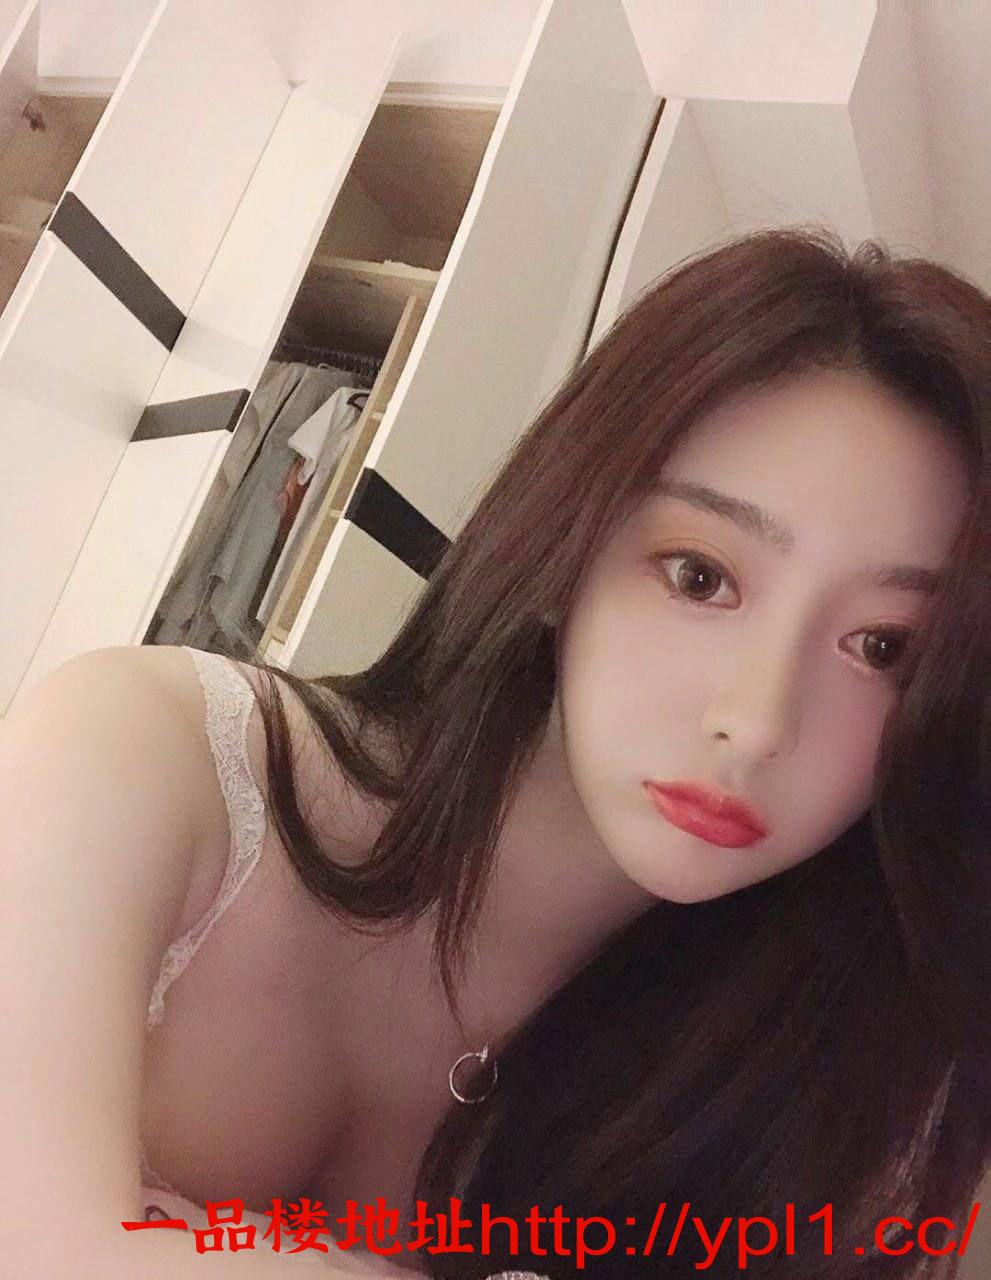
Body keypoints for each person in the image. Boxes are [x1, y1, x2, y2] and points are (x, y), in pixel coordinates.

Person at [2, 226, 988, 1280]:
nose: (755, 722)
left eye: (883, 649)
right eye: (699, 577)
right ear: (568, 541)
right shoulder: (141, 756)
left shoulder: (847, 1099)